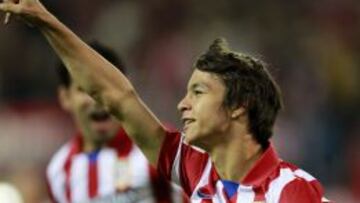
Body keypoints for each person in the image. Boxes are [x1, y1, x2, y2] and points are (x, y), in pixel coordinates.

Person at [0, 0, 329, 202]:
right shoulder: (196, 171)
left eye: (198, 92)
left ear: (238, 105)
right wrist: (46, 21)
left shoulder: (289, 191)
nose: (182, 105)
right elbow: (117, 96)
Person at [46, 41, 187, 203]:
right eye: (84, 89)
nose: (96, 99)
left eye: (104, 88)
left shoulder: (158, 145)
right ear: (65, 97)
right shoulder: (59, 170)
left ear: (124, 89)